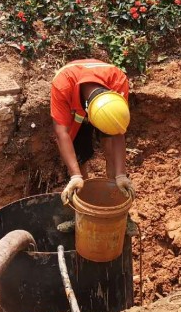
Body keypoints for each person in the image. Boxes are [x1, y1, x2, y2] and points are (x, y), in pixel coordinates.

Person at [50, 59, 136, 204]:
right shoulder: (62, 85)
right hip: (74, 107)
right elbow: (61, 133)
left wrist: (121, 175)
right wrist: (75, 175)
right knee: (80, 155)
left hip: (106, 106)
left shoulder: (118, 81)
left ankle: (113, 196)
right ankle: (85, 199)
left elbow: (118, 130)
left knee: (109, 145)